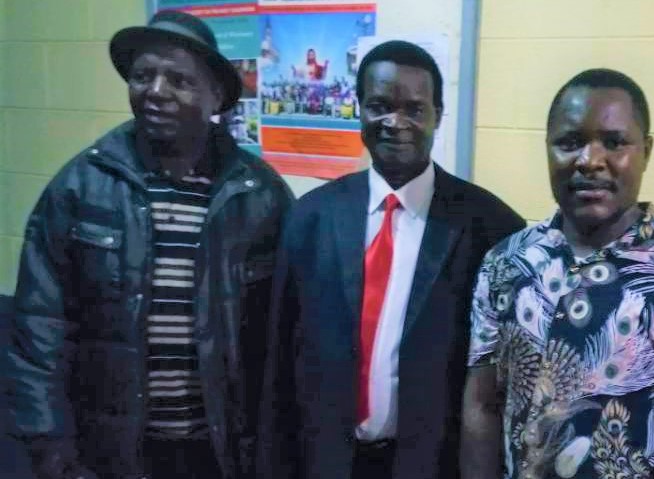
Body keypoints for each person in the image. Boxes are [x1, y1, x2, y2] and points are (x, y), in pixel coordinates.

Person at [3, 10, 293, 479]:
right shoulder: (79, 188)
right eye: (143, 76)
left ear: (215, 95)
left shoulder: (259, 196)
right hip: (111, 454)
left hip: (222, 454)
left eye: (178, 80)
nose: (156, 91)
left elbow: (284, 339)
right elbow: (39, 333)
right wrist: (51, 452)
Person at [258, 40, 525, 479]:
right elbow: (280, 366)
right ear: (359, 109)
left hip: (432, 466)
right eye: (379, 105)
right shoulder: (311, 218)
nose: (394, 122)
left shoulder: (490, 228)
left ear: (438, 114)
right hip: (324, 461)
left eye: (414, 109)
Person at [461, 68, 654, 479]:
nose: (590, 161)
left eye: (614, 143)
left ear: (646, 150)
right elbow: (482, 405)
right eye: (570, 142)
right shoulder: (506, 262)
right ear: (547, 148)